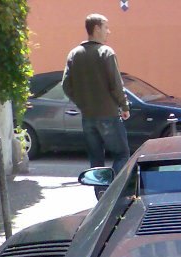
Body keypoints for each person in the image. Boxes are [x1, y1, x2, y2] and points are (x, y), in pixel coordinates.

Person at [62, 13, 131, 180]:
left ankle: (101, 196)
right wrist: (124, 106)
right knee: (122, 154)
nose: (109, 31)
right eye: (106, 27)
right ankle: (113, 191)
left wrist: (82, 103)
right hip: (108, 114)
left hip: (88, 116)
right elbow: (116, 83)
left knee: (96, 161)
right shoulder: (106, 52)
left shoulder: (74, 54)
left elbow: (66, 85)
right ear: (96, 28)